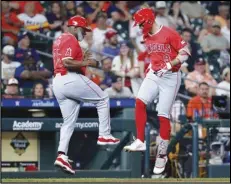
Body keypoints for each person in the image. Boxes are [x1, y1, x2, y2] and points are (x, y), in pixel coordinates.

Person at [123, 8, 191, 176]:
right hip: (155, 73)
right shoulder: (146, 36)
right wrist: (152, 68)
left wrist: (168, 64)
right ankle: (140, 140)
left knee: (163, 115)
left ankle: (162, 155)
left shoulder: (169, 33)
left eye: (140, 24)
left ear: (148, 21)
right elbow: (154, 55)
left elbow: (185, 54)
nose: (139, 27)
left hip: (171, 76)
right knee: (139, 102)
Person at [52, 15, 120, 175]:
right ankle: (104, 135)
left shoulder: (60, 39)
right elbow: (66, 62)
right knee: (103, 99)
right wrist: (85, 62)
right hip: (68, 78)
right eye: (83, 29)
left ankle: (61, 155)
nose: (85, 32)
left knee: (68, 123)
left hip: (58, 83)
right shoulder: (70, 38)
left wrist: (85, 60)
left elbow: (70, 61)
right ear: (75, 27)